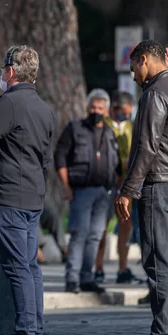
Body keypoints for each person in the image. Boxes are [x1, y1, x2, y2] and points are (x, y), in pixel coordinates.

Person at [116, 40, 168, 335]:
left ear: (145, 59)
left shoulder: (155, 93)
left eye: (135, 66)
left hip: (159, 185)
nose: (134, 74)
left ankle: (163, 334)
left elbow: (146, 148)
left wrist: (127, 190)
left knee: (159, 260)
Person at [0, 45, 55, 335]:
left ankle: (25, 333)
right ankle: (35, 334)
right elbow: (46, 157)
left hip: (9, 194)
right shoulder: (44, 107)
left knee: (17, 267)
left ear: (10, 71)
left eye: (2, 69)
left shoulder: (8, 102)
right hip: (32, 194)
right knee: (30, 267)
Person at [55, 89, 119, 294]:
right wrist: (65, 186)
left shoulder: (110, 133)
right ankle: (72, 278)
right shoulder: (75, 129)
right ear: (87, 107)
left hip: (103, 193)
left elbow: (116, 164)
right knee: (79, 234)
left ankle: (86, 277)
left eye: (100, 108)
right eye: (93, 107)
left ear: (107, 110)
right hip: (81, 191)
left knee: (95, 236)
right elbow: (60, 157)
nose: (96, 111)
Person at [94, 91, 139, 284]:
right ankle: (98, 267)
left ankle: (123, 267)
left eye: (128, 113)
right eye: (123, 112)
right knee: (101, 226)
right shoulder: (104, 125)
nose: (125, 116)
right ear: (114, 108)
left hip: (126, 184)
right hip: (108, 181)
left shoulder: (131, 127)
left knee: (125, 226)